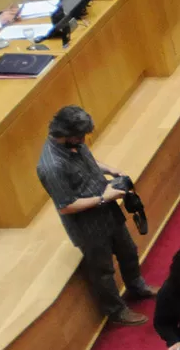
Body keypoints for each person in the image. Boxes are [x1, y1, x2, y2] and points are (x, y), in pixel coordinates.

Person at [37, 105, 158, 326]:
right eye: (80, 136)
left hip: (108, 213)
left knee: (128, 251)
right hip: (88, 227)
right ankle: (116, 311)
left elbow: (89, 160)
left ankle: (137, 287)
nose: (84, 140)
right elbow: (66, 206)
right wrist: (104, 198)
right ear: (65, 135)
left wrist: (110, 170)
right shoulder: (52, 166)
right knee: (103, 271)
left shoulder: (74, 144)